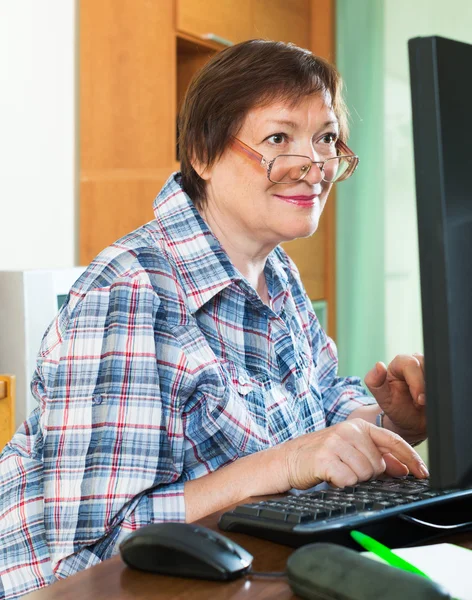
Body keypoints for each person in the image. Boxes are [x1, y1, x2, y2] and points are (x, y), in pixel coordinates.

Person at [0, 39, 428, 599]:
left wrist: (395, 420)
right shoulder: (131, 293)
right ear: (202, 154)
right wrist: (287, 463)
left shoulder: (277, 273)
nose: (314, 166)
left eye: (325, 138)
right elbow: (89, 548)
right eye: (279, 138)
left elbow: (318, 410)